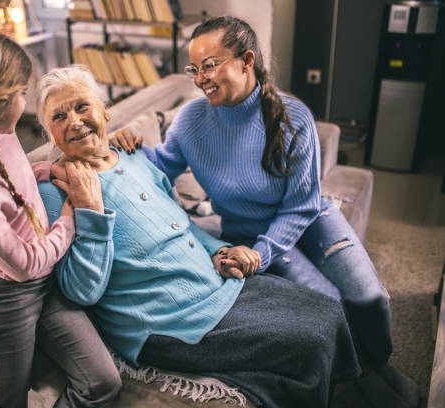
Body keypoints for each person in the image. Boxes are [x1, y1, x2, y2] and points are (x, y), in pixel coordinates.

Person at [35, 65, 361, 408]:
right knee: (309, 342)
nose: (73, 121)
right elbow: (82, 291)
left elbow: (182, 223)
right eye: (58, 116)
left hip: (215, 283)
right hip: (167, 320)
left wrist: (220, 251)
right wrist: (90, 212)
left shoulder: (133, 157)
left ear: (103, 110)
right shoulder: (53, 192)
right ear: (49, 133)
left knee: (327, 311)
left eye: (81, 106)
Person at [111, 16, 392, 368]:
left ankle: (379, 374)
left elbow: (300, 207)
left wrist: (261, 253)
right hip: (246, 230)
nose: (200, 80)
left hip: (309, 221)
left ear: (247, 61)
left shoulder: (294, 118)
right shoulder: (191, 120)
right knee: (329, 307)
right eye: (194, 69)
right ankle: (351, 383)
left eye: (210, 66)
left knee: (370, 299)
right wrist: (126, 146)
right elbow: (159, 168)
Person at [0, 28, 120, 408]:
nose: (25, 102)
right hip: (4, 300)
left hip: (45, 284)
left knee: (102, 383)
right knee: (7, 401)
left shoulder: (0, 132)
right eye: (21, 93)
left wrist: (49, 173)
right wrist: (72, 212)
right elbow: (23, 264)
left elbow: (18, 181)